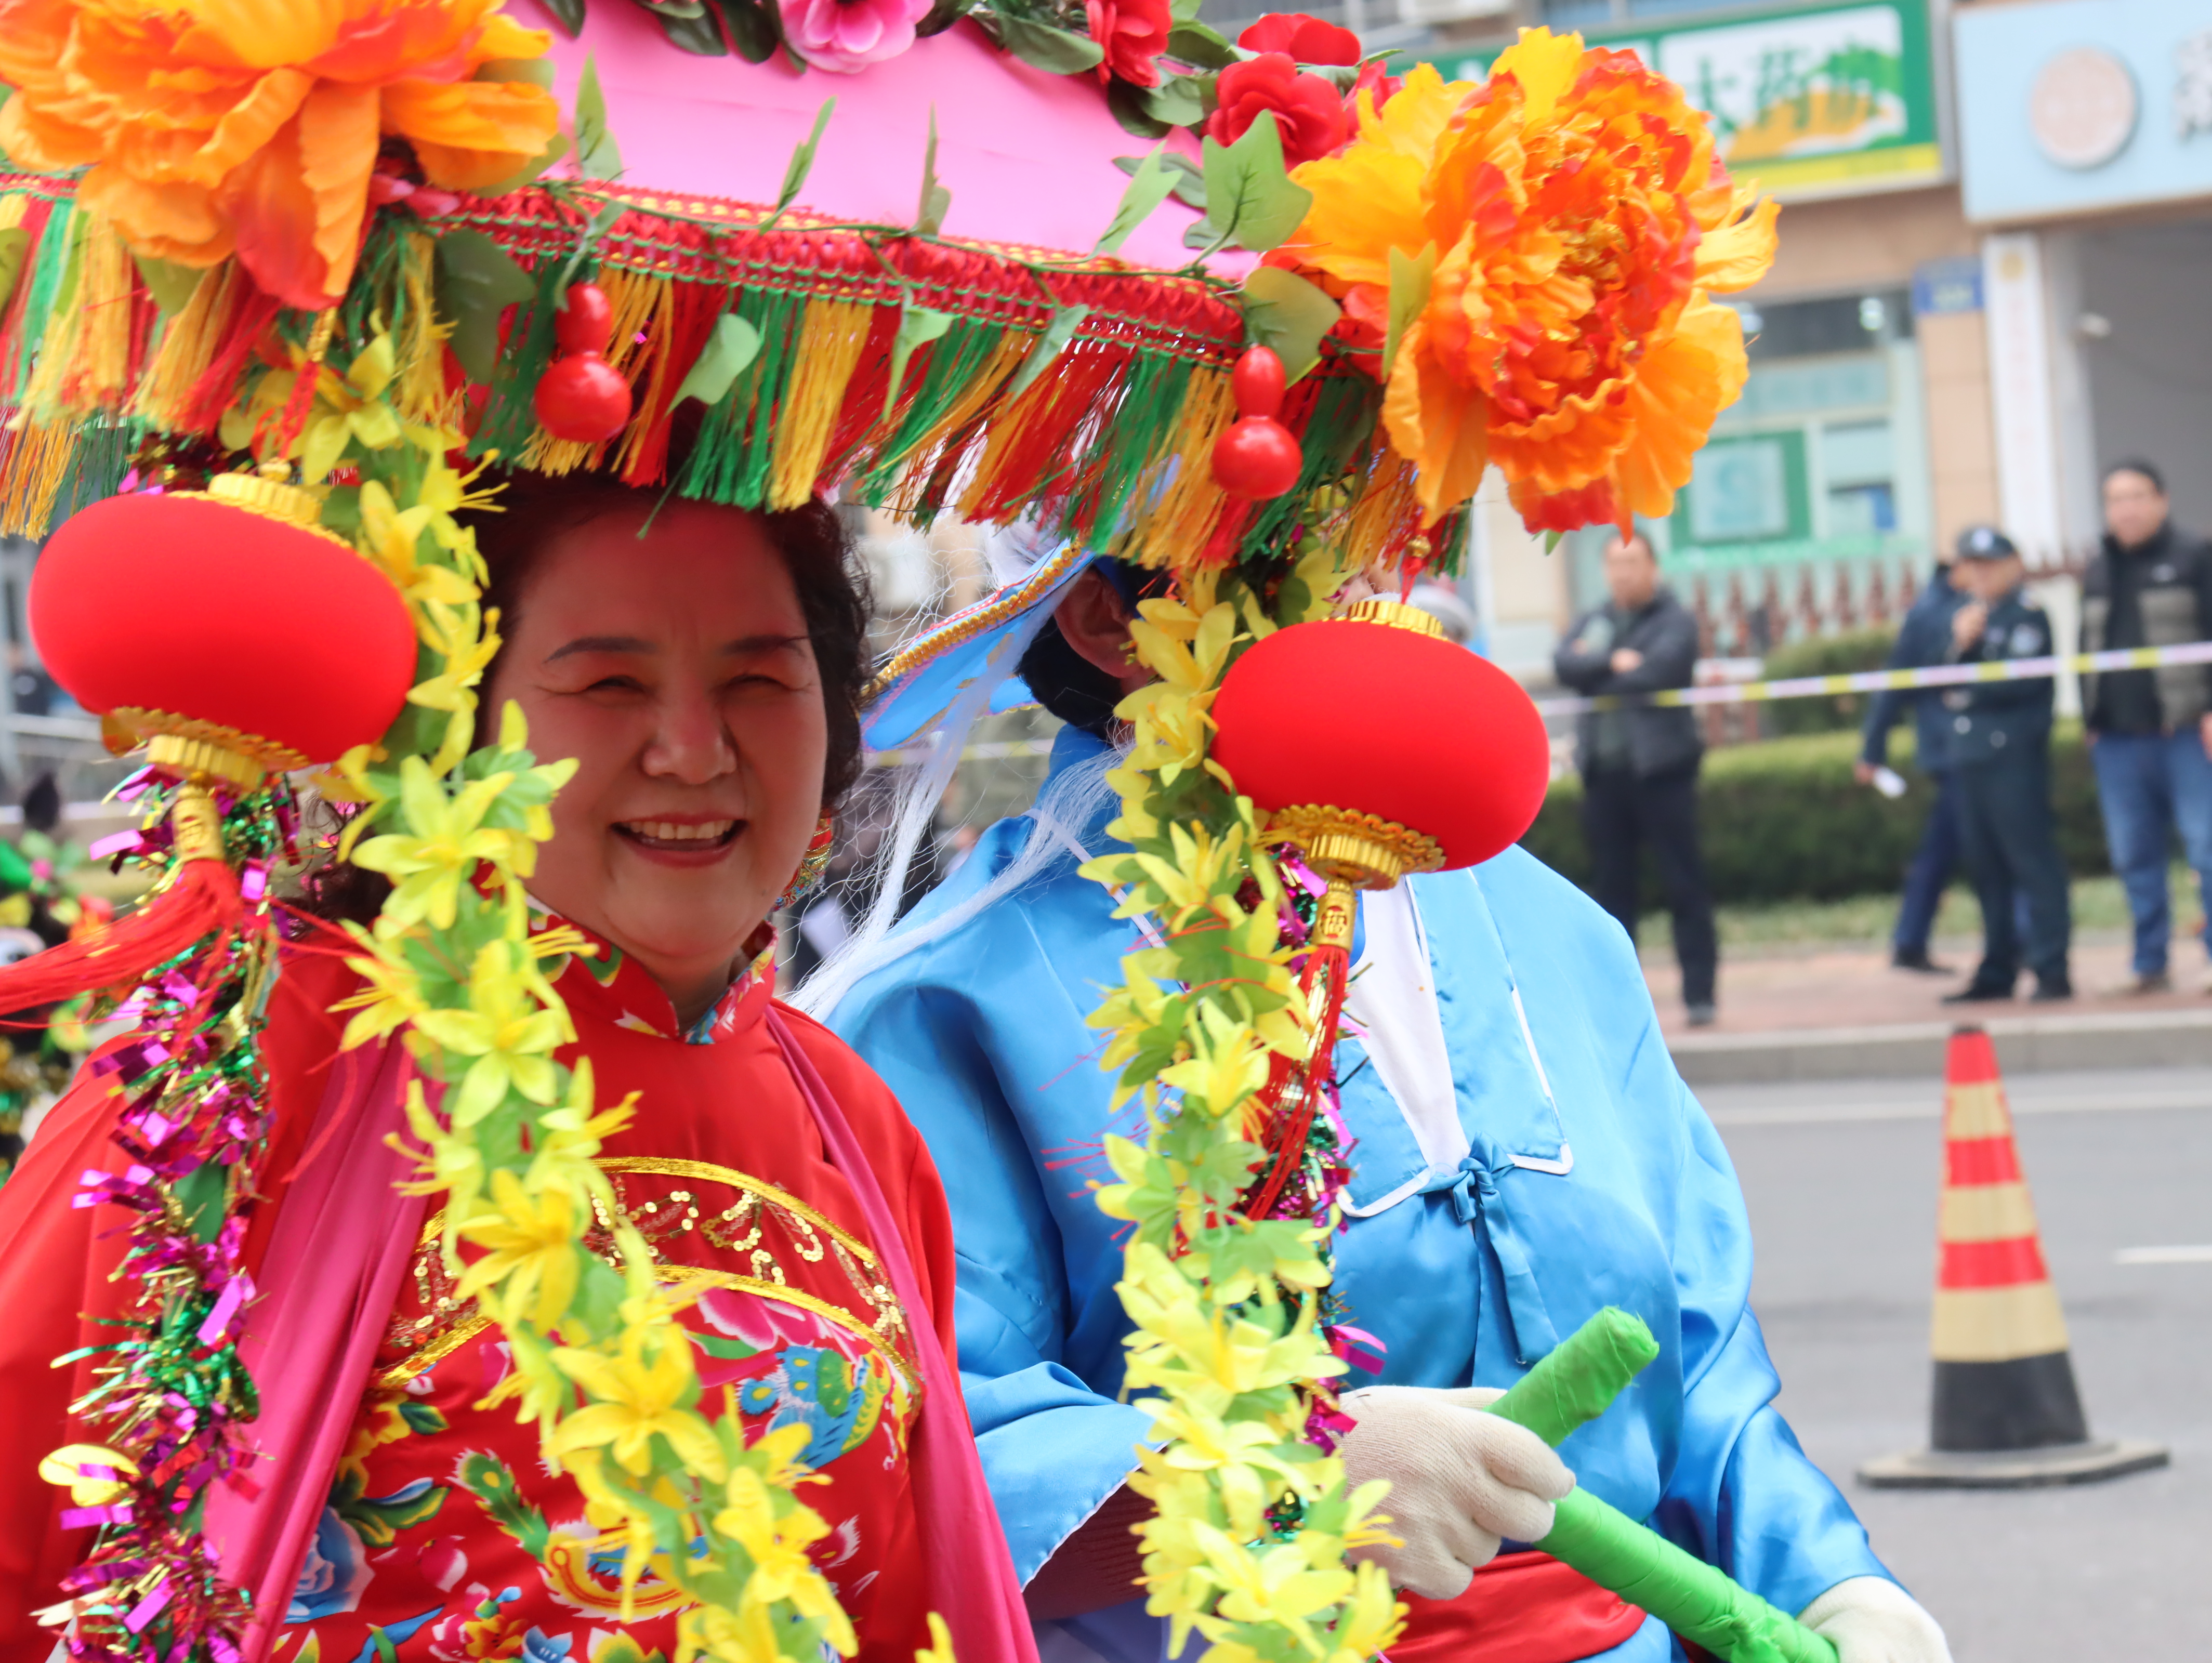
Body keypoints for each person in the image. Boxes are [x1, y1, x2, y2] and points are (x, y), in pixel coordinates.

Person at [815, 549, 1952, 1663]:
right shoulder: (950, 999)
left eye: (1394, 538)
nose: (1380, 592)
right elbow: (930, 1466)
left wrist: (1830, 1583)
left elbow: (1697, 1347)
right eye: (1312, 548)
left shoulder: (1548, 922)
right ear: (1107, 622)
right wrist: (1281, 1480)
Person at [0, 470, 1031, 1658]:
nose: (694, 751)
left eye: (757, 680)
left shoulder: (852, 1118)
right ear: (457, 733)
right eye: (609, 684)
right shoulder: (266, 1053)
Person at [1552, 532, 1719, 1026]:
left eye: (1633, 562)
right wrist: (1611, 661)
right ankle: (1618, 1006)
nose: (1623, 573)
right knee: (1612, 896)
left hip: (1662, 773)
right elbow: (1564, 664)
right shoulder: (1596, 619)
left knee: (1684, 886)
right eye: (1615, 563)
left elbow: (1659, 672)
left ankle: (1700, 996)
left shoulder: (1675, 620)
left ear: (1653, 566)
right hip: (1604, 778)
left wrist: (1598, 671)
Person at [2078, 459, 2212, 995]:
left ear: (2160, 500)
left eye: (2136, 496)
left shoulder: (2193, 555)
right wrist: (2089, 717)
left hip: (2183, 733)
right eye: (2115, 499)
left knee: (2205, 848)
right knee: (2133, 855)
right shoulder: (2097, 567)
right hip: (2116, 739)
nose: (2126, 509)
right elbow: (2084, 646)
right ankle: (2149, 962)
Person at [1939, 526, 2072, 1004]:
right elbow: (1940, 678)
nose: (1981, 575)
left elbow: (2015, 682)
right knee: (1986, 868)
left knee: (2032, 863)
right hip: (1973, 757)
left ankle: (2052, 968)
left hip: (2013, 757)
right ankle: (1997, 969)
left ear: (2013, 566)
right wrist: (1961, 645)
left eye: (1990, 565)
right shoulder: (1969, 617)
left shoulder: (2027, 614)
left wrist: (1967, 686)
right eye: (1973, 566)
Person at [1858, 553, 1968, 972]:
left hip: (1961, 748)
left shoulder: (1959, 604)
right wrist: (1872, 750)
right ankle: (1910, 940)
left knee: (1945, 847)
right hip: (1952, 750)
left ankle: (1910, 940)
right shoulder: (1931, 613)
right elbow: (1897, 681)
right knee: (1978, 845)